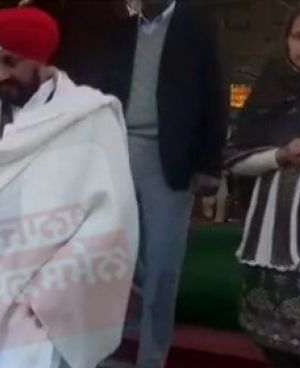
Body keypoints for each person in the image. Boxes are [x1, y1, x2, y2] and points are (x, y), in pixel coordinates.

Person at [0, 7, 139, 368]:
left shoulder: (88, 118)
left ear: (39, 58)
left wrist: (48, 290)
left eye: (10, 62)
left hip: (42, 308)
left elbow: (112, 218)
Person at [89, 1, 226, 366]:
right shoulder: (121, 33)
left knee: (164, 266)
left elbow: (215, 93)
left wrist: (210, 164)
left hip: (171, 159)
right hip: (118, 153)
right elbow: (102, 94)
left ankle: (152, 358)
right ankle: (103, 349)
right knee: (109, 257)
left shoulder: (197, 24)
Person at [226, 3, 300, 366]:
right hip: (271, 251)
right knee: (278, 354)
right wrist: (279, 157)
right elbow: (234, 159)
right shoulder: (269, 90)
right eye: (299, 36)